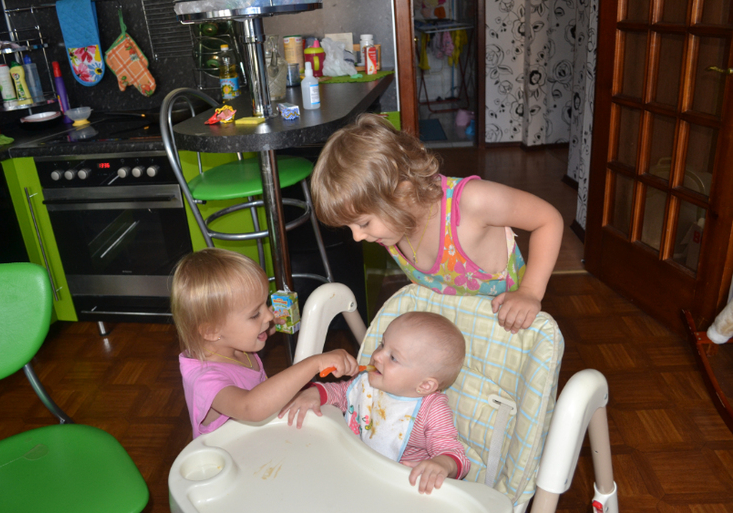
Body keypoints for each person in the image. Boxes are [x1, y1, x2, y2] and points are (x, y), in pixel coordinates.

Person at [310, 114, 564, 333]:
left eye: (364, 223)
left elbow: (548, 220)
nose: (357, 237)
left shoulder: (472, 202)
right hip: (455, 334)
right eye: (350, 227)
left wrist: (530, 292)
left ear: (401, 193)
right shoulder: (392, 226)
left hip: (506, 328)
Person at [171, 248, 359, 438]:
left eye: (265, 304)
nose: (268, 315)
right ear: (211, 331)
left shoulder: (233, 344)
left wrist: (271, 325)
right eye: (255, 314)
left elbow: (252, 331)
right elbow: (250, 407)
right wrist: (314, 363)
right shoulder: (204, 378)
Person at [280, 311, 469, 494]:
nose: (377, 356)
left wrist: (442, 464)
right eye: (382, 345)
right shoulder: (368, 382)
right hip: (354, 466)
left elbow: (453, 452)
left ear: (425, 385)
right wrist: (316, 392)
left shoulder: (431, 410)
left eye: (393, 357)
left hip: (397, 485)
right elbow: (342, 393)